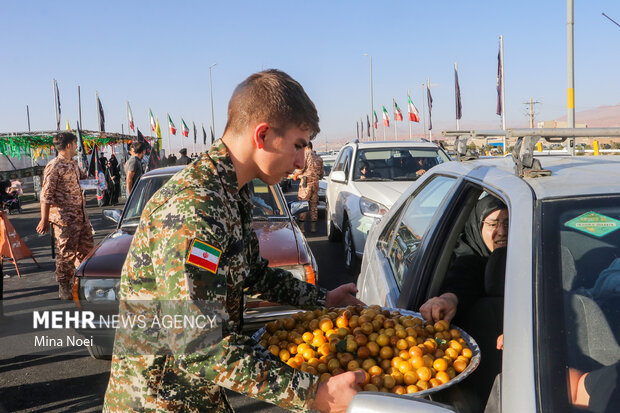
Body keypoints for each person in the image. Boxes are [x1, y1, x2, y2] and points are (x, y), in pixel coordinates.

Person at [103, 69, 365, 413]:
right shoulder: (195, 208)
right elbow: (200, 346)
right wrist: (314, 394)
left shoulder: (232, 192)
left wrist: (322, 298)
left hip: (195, 396)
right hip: (158, 402)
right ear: (264, 135)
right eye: (298, 145)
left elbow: (252, 274)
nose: (302, 162)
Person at [420, 194, 508, 411]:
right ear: (477, 226)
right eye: (493, 224)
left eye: (508, 223)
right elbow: (461, 279)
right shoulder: (466, 257)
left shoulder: (533, 258)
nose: (502, 232)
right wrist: (448, 299)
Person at [36, 132, 94, 300]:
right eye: (75, 144)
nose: (77, 147)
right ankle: (64, 286)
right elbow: (45, 195)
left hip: (81, 217)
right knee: (67, 253)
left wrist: (96, 182)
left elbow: (83, 180)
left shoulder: (74, 163)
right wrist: (44, 219)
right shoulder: (54, 166)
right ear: (69, 145)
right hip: (65, 219)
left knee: (86, 250)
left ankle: (83, 282)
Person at [293, 141, 324, 233]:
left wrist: (295, 176)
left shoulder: (305, 155)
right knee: (313, 205)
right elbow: (321, 174)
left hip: (306, 184)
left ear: (306, 147)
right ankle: (313, 227)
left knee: (303, 204)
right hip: (315, 184)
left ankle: (302, 228)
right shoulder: (318, 157)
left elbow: (300, 169)